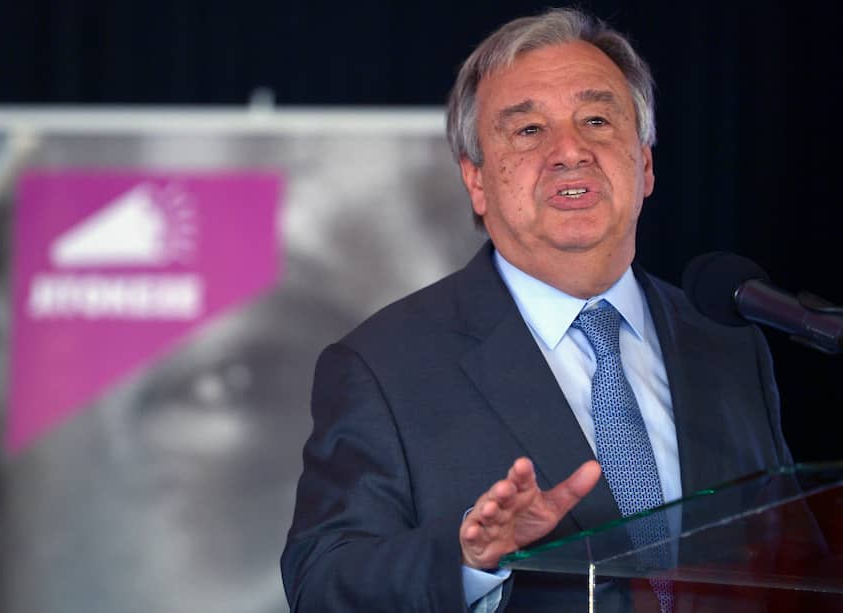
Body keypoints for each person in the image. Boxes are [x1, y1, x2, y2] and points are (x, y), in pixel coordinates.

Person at [281, 7, 792, 612]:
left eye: (598, 120)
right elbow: (321, 581)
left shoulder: (726, 341)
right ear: (475, 180)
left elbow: (788, 553)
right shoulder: (384, 367)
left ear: (646, 165)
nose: (570, 150)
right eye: (528, 131)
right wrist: (471, 561)